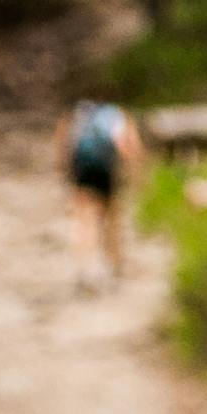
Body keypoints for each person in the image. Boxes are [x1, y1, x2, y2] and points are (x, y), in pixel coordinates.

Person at [62, 95, 144, 284]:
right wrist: (135, 174)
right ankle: (114, 264)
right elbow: (128, 145)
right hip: (105, 170)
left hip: (82, 171)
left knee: (83, 218)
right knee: (111, 219)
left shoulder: (78, 113)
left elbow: (64, 144)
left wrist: (67, 173)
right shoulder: (118, 114)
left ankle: (83, 266)